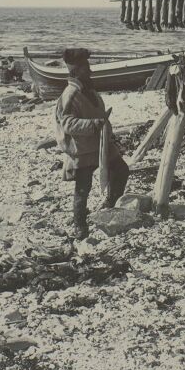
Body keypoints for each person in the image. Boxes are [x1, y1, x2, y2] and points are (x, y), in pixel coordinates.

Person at [54, 47, 129, 240]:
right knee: (82, 188)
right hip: (83, 149)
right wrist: (94, 124)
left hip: (102, 145)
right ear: (75, 71)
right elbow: (67, 123)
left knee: (120, 170)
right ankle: (80, 225)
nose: (90, 71)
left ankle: (108, 206)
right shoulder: (70, 94)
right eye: (86, 67)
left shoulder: (89, 89)